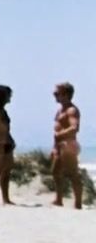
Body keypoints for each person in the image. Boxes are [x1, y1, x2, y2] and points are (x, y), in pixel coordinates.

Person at [51, 82, 83, 210]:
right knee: (55, 171)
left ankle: (78, 204)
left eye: (57, 93)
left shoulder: (71, 110)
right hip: (60, 145)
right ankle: (59, 199)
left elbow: (74, 128)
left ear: (66, 94)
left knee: (72, 173)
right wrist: (55, 146)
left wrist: (60, 135)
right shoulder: (61, 110)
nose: (54, 95)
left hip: (68, 144)